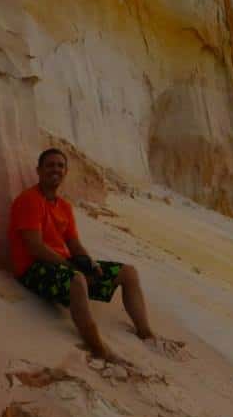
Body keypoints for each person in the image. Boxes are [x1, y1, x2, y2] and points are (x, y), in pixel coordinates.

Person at [8, 148, 156, 363]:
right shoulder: (29, 200)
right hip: (32, 269)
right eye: (50, 165)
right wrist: (74, 269)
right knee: (77, 280)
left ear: (66, 171)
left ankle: (146, 333)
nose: (55, 169)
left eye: (60, 165)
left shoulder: (64, 207)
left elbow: (74, 243)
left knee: (128, 273)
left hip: (62, 265)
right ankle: (98, 349)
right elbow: (35, 248)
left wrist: (89, 263)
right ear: (38, 170)